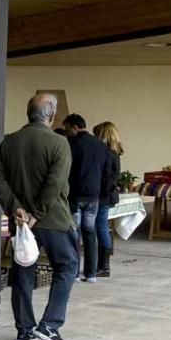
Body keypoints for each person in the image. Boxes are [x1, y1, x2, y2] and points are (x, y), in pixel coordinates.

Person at [0, 93, 78, 340]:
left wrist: (16, 208)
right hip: (54, 220)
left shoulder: (9, 142)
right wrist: (37, 213)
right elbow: (56, 183)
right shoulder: (59, 143)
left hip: (21, 222)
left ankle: (24, 330)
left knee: (23, 272)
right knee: (67, 266)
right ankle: (49, 325)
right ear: (51, 115)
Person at [64, 114, 112, 284]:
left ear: (75, 127)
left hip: (76, 195)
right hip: (94, 197)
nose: (67, 132)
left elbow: (66, 170)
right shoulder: (101, 145)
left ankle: (75, 272)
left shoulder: (72, 144)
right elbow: (108, 171)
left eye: (68, 128)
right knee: (90, 233)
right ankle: (91, 273)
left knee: (74, 233)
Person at [92, 121, 123, 277]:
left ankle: (104, 266)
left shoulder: (107, 153)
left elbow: (108, 178)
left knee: (101, 227)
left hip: (103, 195)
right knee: (102, 227)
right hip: (108, 195)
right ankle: (103, 265)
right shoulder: (115, 152)